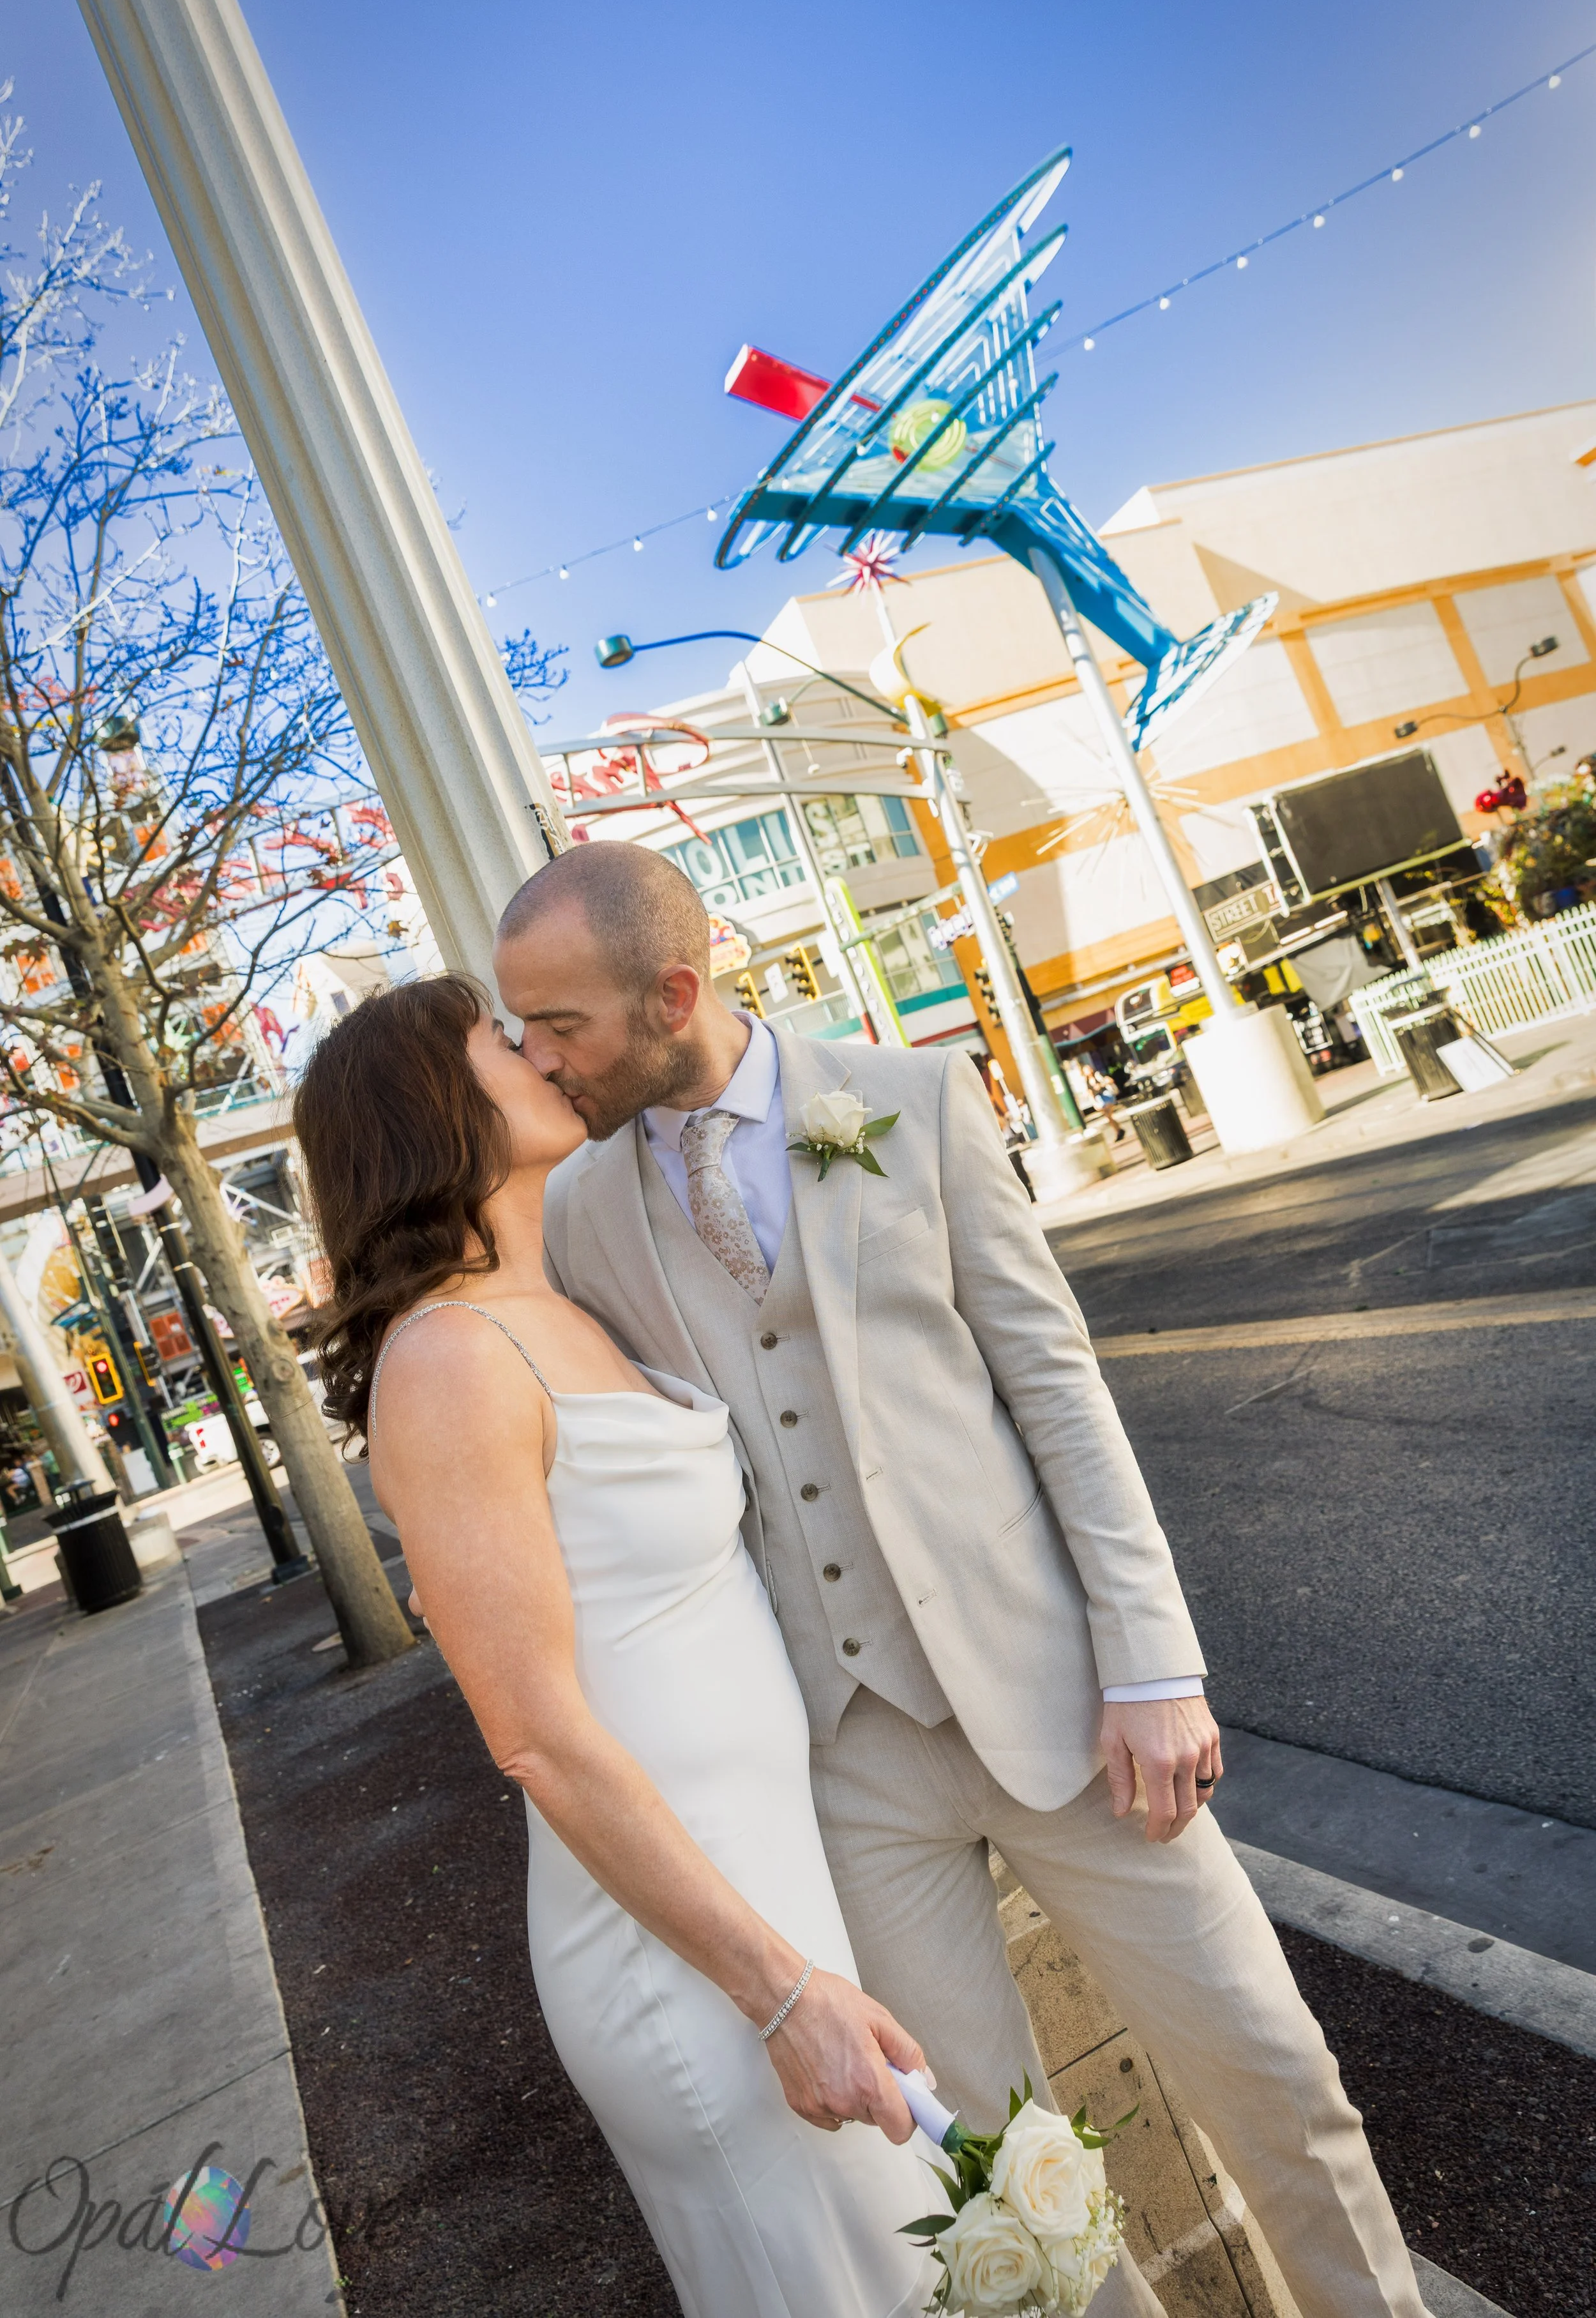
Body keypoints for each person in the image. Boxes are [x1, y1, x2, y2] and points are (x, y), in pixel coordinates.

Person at [495, 840, 1430, 2318]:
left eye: (562, 1026)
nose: (537, 1058)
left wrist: (1152, 1666)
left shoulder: (911, 1103)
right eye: (518, 1028)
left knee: (1271, 2072)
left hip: (1062, 1713)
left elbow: (1053, 1390)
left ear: (672, 991)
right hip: (846, 1763)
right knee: (992, 2168)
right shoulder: (579, 1215)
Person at [292, 976, 935, 2318]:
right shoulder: (450, 1361)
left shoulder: (556, 1305)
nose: (535, 1051)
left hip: (767, 1890)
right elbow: (531, 1733)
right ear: (433, 1109)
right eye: (497, 1039)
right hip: (687, 1958)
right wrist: (774, 1996)